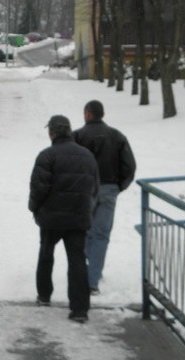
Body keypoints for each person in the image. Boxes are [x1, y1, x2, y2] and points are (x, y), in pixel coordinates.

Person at [29, 115, 100, 323]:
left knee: (46, 254)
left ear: (51, 132)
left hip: (51, 217)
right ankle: (79, 309)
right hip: (78, 217)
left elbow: (38, 187)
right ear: (69, 131)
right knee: (77, 260)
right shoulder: (87, 156)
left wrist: (34, 208)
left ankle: (44, 295)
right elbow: (95, 187)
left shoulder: (47, 155)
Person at [73, 100, 137, 295]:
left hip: (84, 190)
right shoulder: (117, 136)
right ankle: (93, 280)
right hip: (109, 188)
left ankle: (87, 268)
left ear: (88, 114)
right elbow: (129, 166)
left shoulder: (77, 136)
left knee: (83, 229)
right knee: (101, 234)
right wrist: (119, 186)